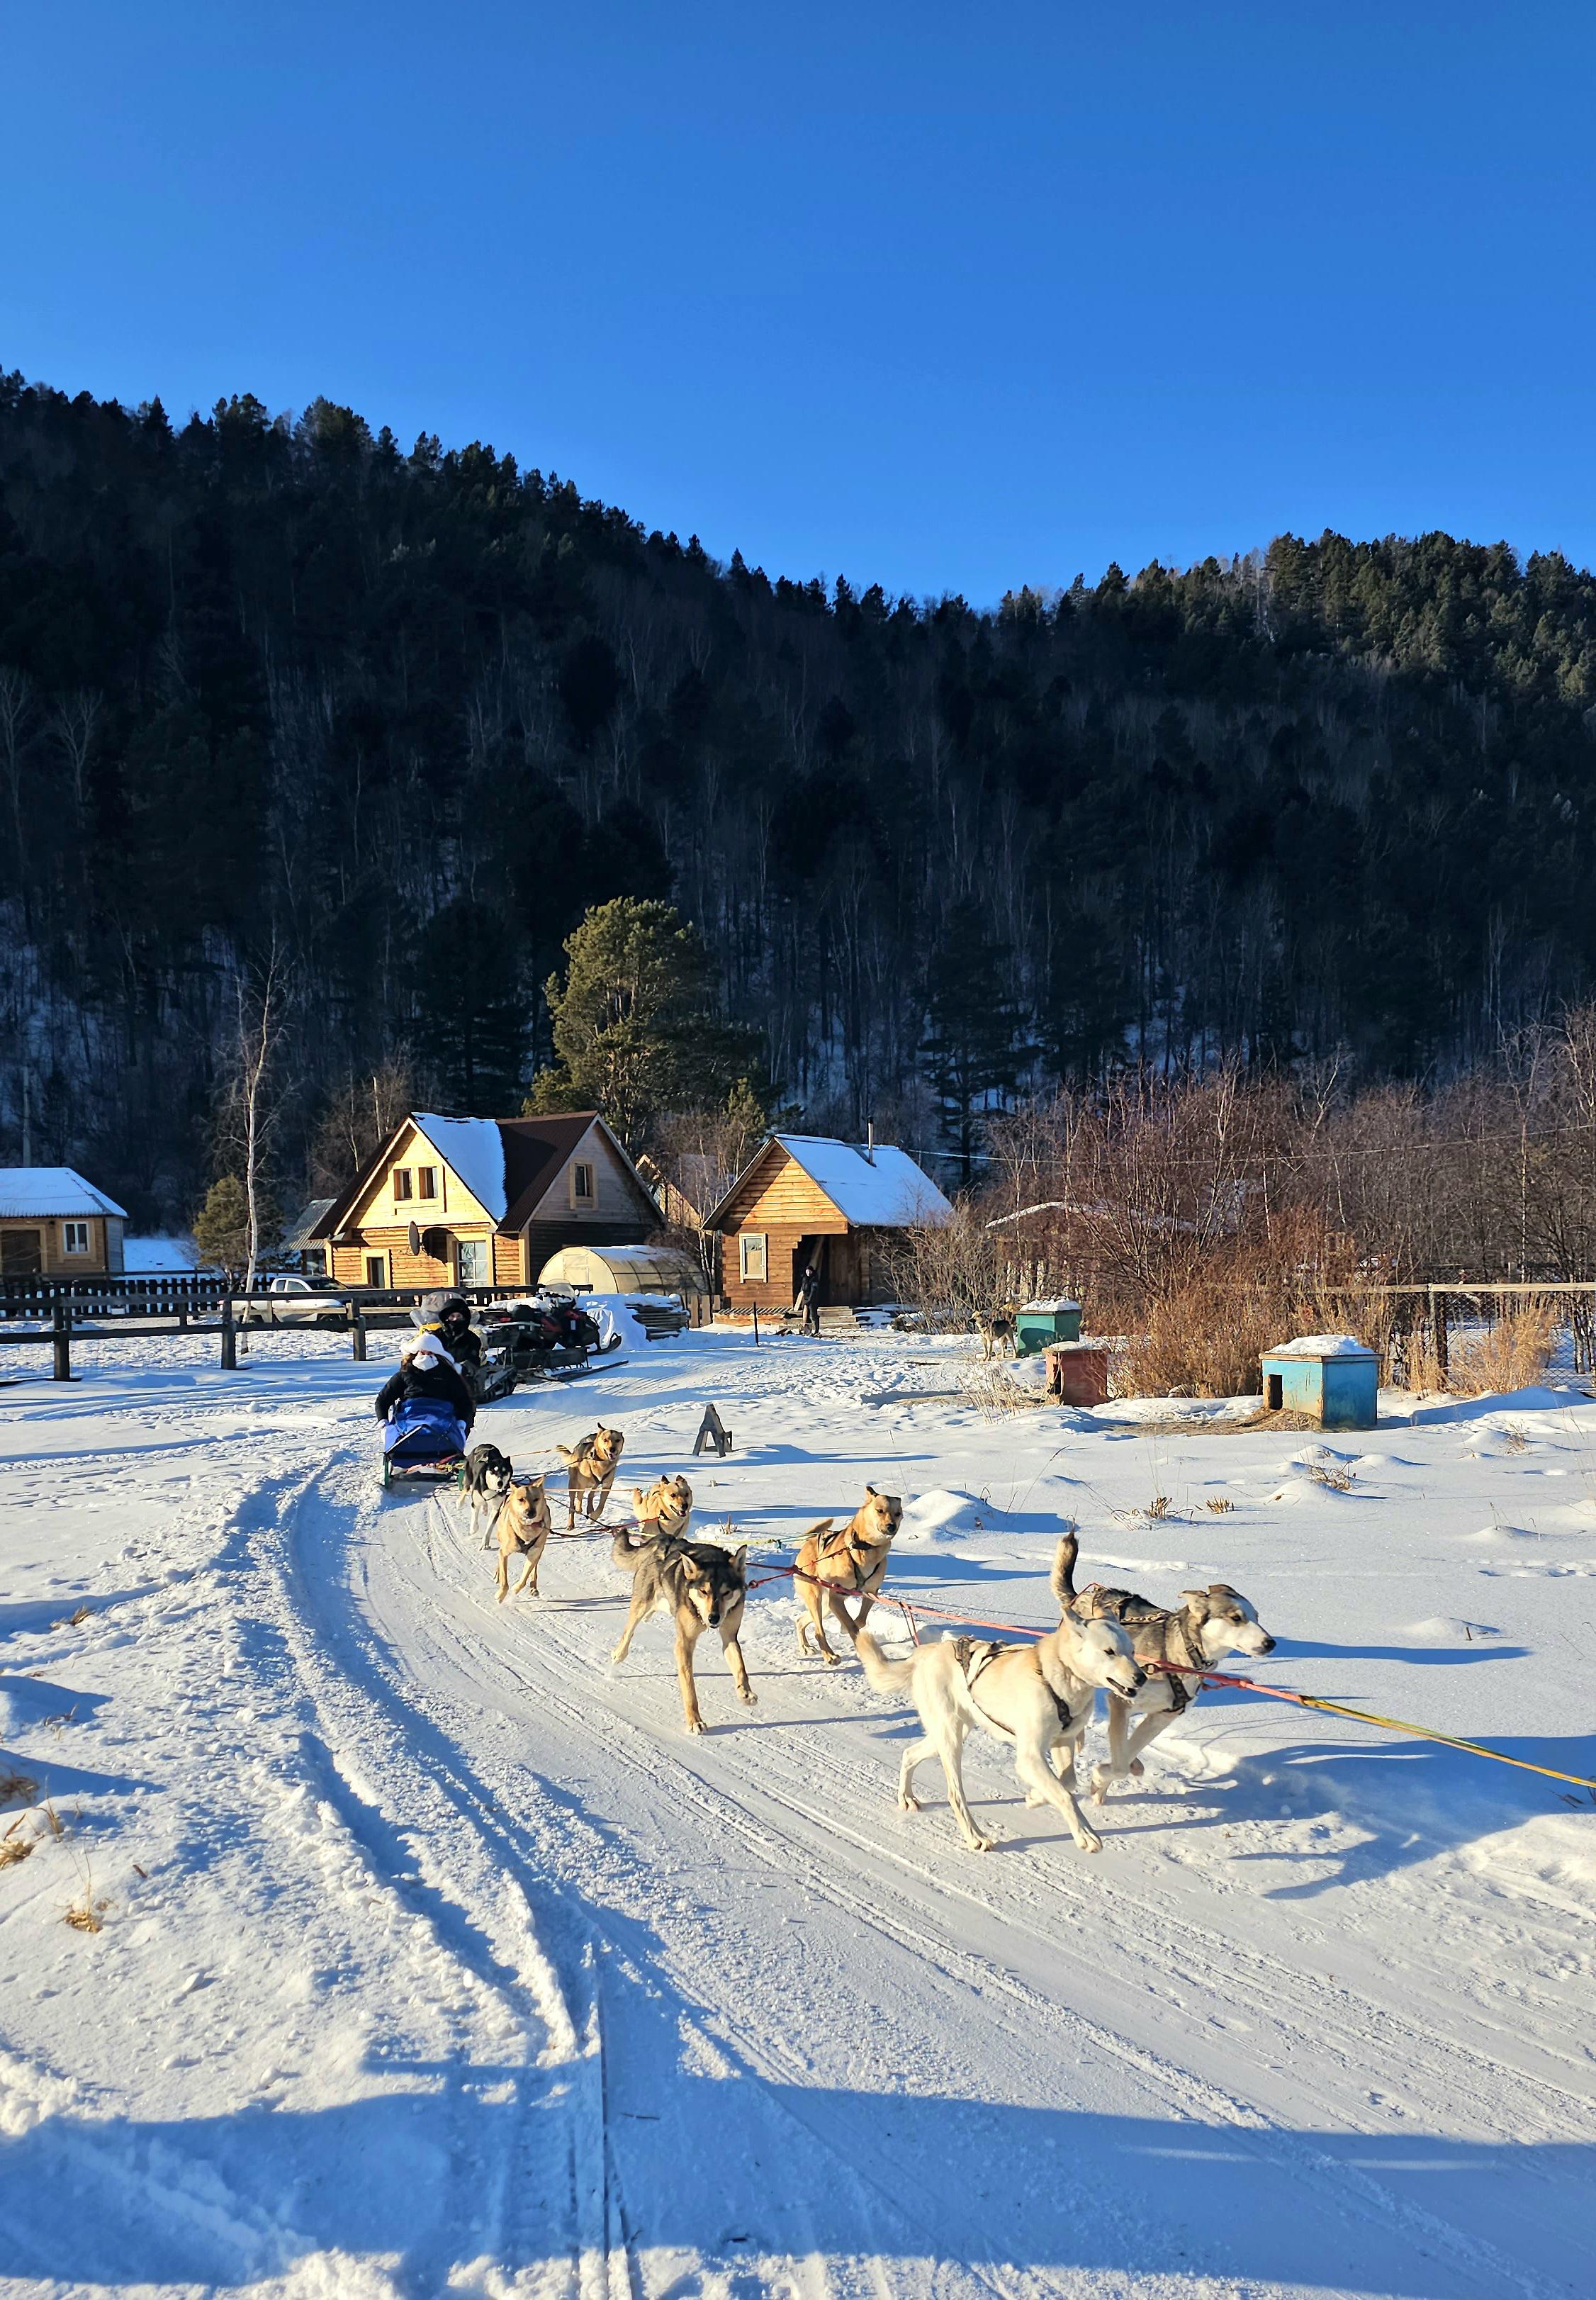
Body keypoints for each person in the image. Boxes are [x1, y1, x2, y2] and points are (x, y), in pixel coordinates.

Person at [374, 1331, 476, 1435]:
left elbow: (464, 1401)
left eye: (430, 1353)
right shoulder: (405, 1374)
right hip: (409, 1419)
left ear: (438, 1356)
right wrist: (383, 1422)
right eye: (423, 1353)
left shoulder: (448, 1375)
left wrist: (462, 1422)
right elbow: (383, 1399)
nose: (426, 1357)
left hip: (442, 1420)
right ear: (416, 1354)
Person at [799, 1261, 821, 1337]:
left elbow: (813, 1292)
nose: (808, 1273)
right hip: (806, 1299)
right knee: (805, 1316)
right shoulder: (805, 1279)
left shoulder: (814, 1279)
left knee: (813, 1315)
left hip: (813, 1300)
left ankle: (816, 1330)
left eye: (809, 1271)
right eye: (807, 1271)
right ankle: (807, 1330)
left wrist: (809, 1300)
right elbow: (803, 1289)